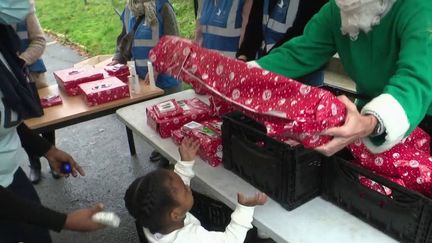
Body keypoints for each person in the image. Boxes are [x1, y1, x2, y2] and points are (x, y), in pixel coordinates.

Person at [250, 0, 432, 156]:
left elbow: (416, 79)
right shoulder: (338, 9)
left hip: (418, 116)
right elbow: (300, 52)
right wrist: (242, 74)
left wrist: (371, 122)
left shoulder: (419, 7)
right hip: (368, 117)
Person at [0, 2, 105, 241]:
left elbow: (8, 119)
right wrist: (64, 221)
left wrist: (46, 149)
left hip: (11, 176)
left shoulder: (3, 45)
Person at [124, 137, 268, 242]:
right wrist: (245, 208)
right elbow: (230, 240)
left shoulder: (152, 219)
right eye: (185, 190)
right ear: (176, 214)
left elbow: (174, 189)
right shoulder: (192, 238)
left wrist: (185, 163)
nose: (187, 186)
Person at [110, 0, 182, 165]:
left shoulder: (163, 7)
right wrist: (118, 58)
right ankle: (162, 152)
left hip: (166, 81)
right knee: (156, 123)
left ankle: (170, 164)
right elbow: (124, 38)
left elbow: (174, 43)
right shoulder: (129, 9)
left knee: (171, 123)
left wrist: (158, 66)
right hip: (144, 83)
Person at [236, 0, 328, 86]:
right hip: (267, 64)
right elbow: (256, 19)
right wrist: (245, 54)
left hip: (302, 73)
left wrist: (262, 65)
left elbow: (301, 35)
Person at [13, 9, 56, 184]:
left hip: (34, 76)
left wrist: (21, 61)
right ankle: (34, 162)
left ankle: (53, 156)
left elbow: (39, 40)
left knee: (47, 119)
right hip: (8, 81)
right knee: (24, 122)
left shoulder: (22, 8)